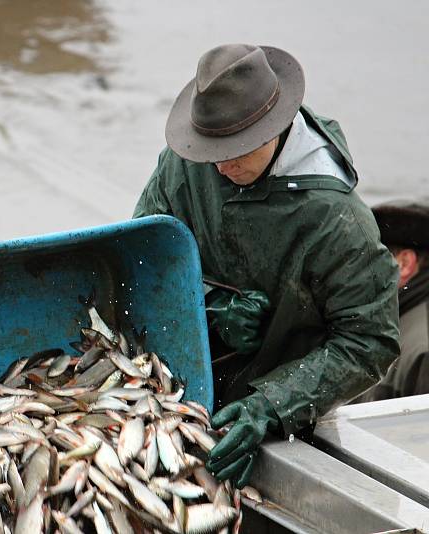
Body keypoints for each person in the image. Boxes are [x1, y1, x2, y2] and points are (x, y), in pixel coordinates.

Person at [133, 44, 399, 487]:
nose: (221, 165)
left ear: (273, 129)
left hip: (281, 410)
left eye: (236, 151)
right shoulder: (186, 162)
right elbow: (145, 256)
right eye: (210, 150)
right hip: (178, 389)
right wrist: (210, 304)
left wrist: (272, 406)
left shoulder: (337, 219)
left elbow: (370, 340)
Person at [355, 199, 429, 402]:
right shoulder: (392, 321)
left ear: (404, 263)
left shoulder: (421, 351)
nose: (351, 271)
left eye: (365, 256)